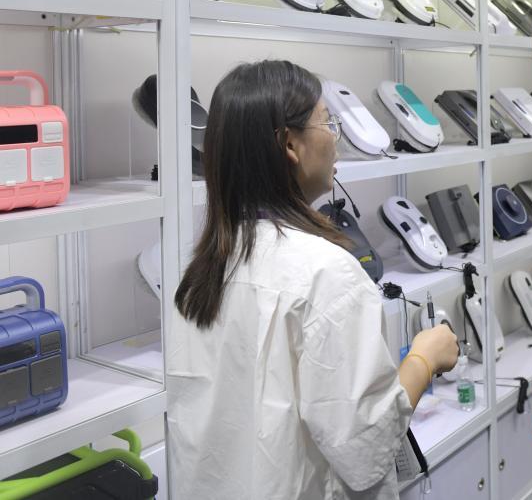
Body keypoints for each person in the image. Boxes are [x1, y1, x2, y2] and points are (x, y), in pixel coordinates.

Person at [166, 60, 459, 499]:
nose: (335, 139)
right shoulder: (327, 272)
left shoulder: (199, 275)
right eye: (328, 123)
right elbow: (365, 448)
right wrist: (424, 358)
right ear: (290, 144)